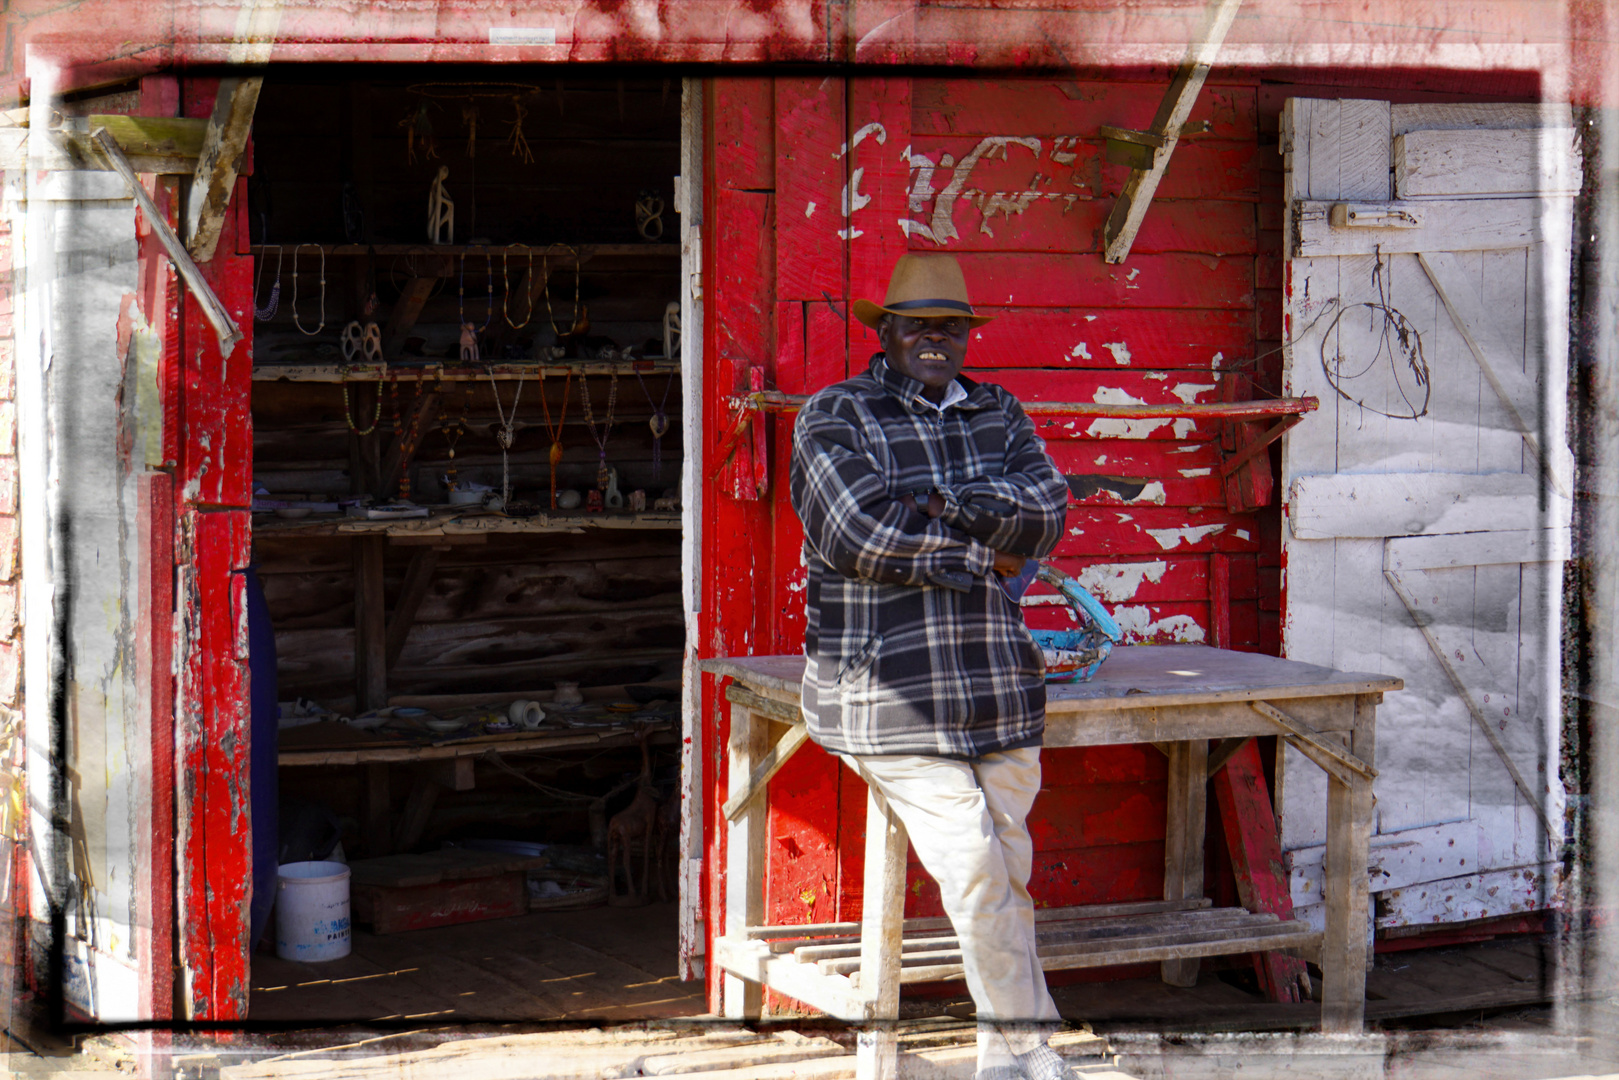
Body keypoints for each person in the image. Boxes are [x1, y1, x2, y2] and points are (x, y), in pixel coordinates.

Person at [788, 253, 1076, 1080]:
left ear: (965, 336)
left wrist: (941, 504)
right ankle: (1026, 1047)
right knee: (981, 871)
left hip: (994, 686)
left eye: (949, 328)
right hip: (890, 691)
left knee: (1007, 873)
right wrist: (981, 549)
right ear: (885, 332)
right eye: (918, 326)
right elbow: (855, 534)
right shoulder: (836, 414)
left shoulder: (998, 410)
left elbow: (1047, 511)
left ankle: (1001, 1054)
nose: (934, 340)